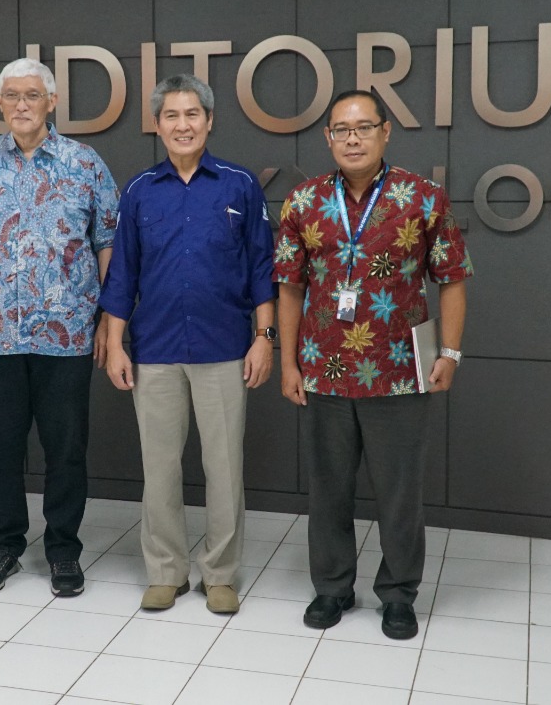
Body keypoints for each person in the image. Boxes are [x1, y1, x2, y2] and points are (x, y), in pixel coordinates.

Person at [273, 90, 473, 640]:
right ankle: (332, 587)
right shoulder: (304, 201)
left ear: (386, 132)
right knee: (328, 488)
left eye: (364, 127)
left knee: (399, 491)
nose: (353, 138)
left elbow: (453, 278)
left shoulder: (422, 197)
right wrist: (287, 363)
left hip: (400, 371)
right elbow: (289, 288)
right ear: (328, 139)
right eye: (342, 129)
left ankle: (399, 593)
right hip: (322, 371)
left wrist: (450, 353)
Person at [0, 57, 119, 598]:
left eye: (31, 95)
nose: (20, 105)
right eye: (10, 95)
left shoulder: (85, 163)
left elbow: (108, 244)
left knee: (66, 450)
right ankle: (3, 545)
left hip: (68, 335)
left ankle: (63, 550)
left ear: (52, 102)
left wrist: (109, 320)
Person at [100, 74, 276, 615]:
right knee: (160, 469)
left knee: (224, 468)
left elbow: (262, 269)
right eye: (171, 116)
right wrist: (114, 344)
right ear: (157, 125)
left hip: (224, 348)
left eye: (192, 114)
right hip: (153, 350)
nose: (182, 124)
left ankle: (219, 573)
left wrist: (264, 337)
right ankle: (166, 571)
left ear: (210, 120)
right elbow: (122, 275)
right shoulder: (138, 191)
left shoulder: (239, 185)